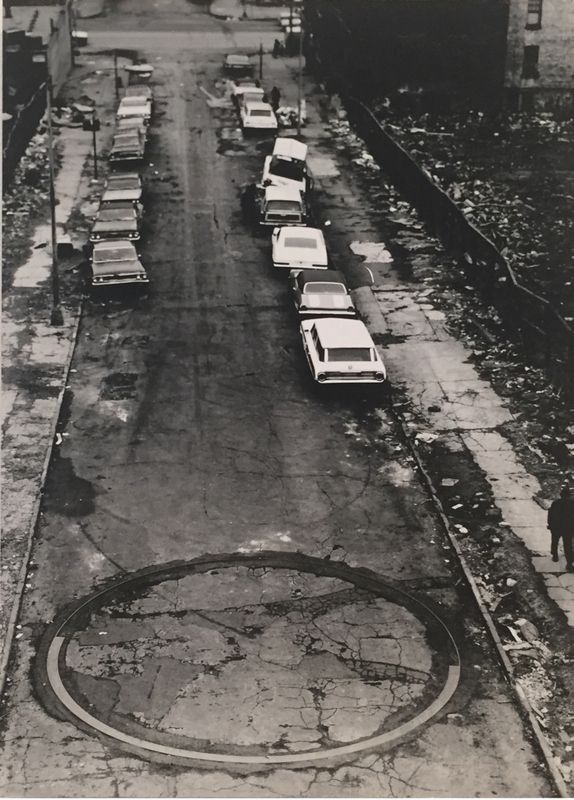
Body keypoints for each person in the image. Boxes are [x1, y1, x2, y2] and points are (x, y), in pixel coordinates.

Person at [547, 486, 574, 572]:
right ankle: (569, 564)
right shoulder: (572, 503)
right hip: (568, 528)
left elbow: (550, 514)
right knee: (568, 545)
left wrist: (550, 524)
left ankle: (555, 555)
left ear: (561, 495)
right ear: (569, 495)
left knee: (555, 541)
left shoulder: (556, 503)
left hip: (556, 527)